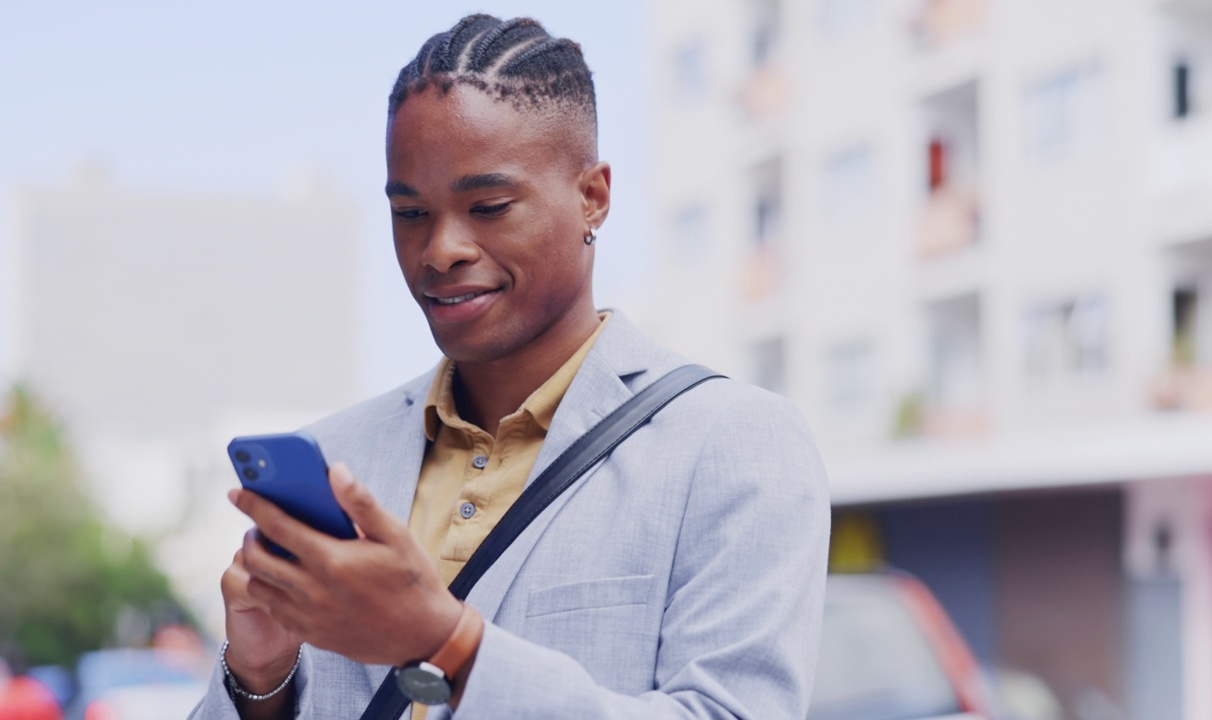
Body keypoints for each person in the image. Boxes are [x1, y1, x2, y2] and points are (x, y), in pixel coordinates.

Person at [190, 13, 829, 720]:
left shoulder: (735, 444)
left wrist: (449, 642)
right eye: (409, 213)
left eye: (487, 206)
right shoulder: (337, 459)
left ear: (593, 196)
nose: (440, 250)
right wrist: (260, 677)